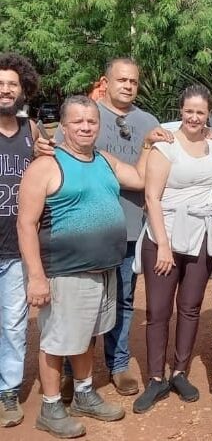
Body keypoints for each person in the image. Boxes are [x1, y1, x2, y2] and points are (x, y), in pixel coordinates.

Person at [17, 95, 158, 438]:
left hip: (103, 270)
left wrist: (149, 144)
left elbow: (140, 179)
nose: (85, 127)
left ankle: (83, 394)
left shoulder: (104, 160)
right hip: (65, 272)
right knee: (56, 341)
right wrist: (36, 277)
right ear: (63, 126)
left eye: (91, 121)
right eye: (77, 121)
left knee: (86, 336)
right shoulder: (46, 166)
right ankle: (51, 407)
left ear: (99, 125)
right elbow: (25, 224)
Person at [40, 57, 169, 398]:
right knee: (78, 307)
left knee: (122, 300)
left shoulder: (148, 121)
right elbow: (54, 153)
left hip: (128, 229)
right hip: (80, 233)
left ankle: (119, 364)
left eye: (133, 81)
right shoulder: (87, 115)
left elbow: (153, 173)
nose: (128, 86)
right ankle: (70, 372)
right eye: (121, 80)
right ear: (105, 82)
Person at [133, 84, 212, 414]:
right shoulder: (166, 146)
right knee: (159, 311)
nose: (194, 118)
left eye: (201, 112)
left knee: (190, 307)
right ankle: (156, 378)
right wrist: (163, 246)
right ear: (180, 111)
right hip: (167, 234)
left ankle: (180, 372)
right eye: (189, 111)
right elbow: (151, 198)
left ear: (208, 113)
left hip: (201, 234)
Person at [0, 52, 45, 428]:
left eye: (12, 84)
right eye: (0, 84)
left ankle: (8, 391)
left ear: (22, 89)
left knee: (14, 324)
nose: (5, 90)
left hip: (16, 247)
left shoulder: (31, 130)